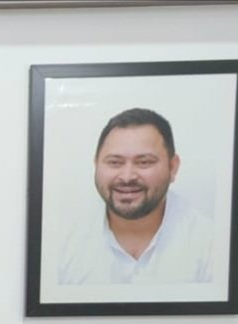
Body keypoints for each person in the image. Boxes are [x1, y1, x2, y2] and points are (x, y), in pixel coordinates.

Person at [58, 108, 214, 285]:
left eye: (144, 162)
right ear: (96, 164)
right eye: (114, 162)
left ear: (173, 167)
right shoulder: (62, 244)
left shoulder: (211, 244)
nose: (127, 177)